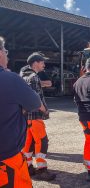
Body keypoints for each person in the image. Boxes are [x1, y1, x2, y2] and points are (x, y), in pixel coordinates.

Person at [0, 36, 46, 187]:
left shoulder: (18, 76)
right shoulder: (10, 79)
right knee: (40, 141)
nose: (7, 54)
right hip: (7, 159)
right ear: (0, 53)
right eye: (5, 50)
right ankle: (41, 167)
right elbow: (34, 102)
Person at [20, 52, 56, 181]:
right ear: (35, 63)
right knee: (42, 141)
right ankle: (42, 170)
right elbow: (35, 97)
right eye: (42, 62)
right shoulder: (34, 77)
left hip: (26, 116)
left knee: (28, 143)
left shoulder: (23, 76)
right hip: (35, 115)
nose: (44, 64)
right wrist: (45, 110)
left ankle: (28, 167)